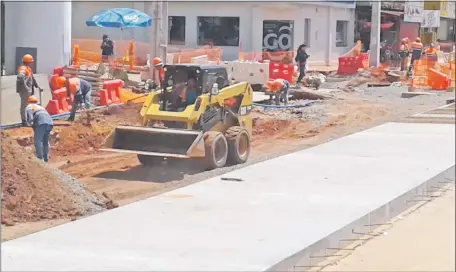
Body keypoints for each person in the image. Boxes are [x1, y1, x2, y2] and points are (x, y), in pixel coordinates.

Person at [25, 95, 54, 162]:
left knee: (37, 141)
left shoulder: (29, 106)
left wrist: (30, 123)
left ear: (28, 101)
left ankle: (40, 159)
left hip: (41, 122)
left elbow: (31, 118)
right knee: (45, 140)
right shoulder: (40, 107)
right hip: (49, 122)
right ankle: (46, 157)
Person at [17, 54, 43, 126]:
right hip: (25, 91)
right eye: (31, 61)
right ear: (27, 62)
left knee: (29, 106)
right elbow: (20, 77)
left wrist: (37, 86)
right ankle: (24, 121)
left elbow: (32, 78)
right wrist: (26, 87)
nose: (32, 63)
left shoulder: (28, 68)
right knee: (24, 106)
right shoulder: (22, 68)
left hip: (28, 91)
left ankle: (29, 120)